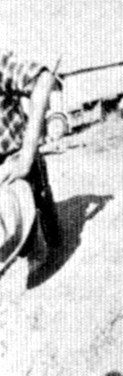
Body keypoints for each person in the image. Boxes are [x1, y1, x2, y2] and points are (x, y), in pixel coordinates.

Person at [0, 49, 59, 267]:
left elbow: (44, 80)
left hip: (12, 160)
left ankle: (46, 247)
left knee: (37, 213)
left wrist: (26, 155)